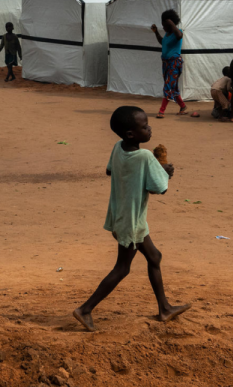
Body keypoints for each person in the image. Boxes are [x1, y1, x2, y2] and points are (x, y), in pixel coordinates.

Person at [73, 106, 189, 332]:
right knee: (122, 268)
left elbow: (110, 171)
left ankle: (164, 308)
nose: (149, 128)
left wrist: (152, 169)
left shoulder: (118, 147)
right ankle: (85, 309)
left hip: (122, 215)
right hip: (132, 221)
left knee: (154, 257)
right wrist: (165, 170)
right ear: (131, 134)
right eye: (145, 126)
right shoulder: (145, 156)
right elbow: (159, 189)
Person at [151, 10, 186, 118]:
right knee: (172, 86)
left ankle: (162, 110)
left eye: (164, 25)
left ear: (170, 23)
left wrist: (170, 22)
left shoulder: (178, 32)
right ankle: (183, 106)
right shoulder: (167, 34)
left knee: (167, 85)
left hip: (174, 63)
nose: (163, 27)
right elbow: (163, 42)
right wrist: (156, 32)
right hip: (166, 63)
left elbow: (179, 36)